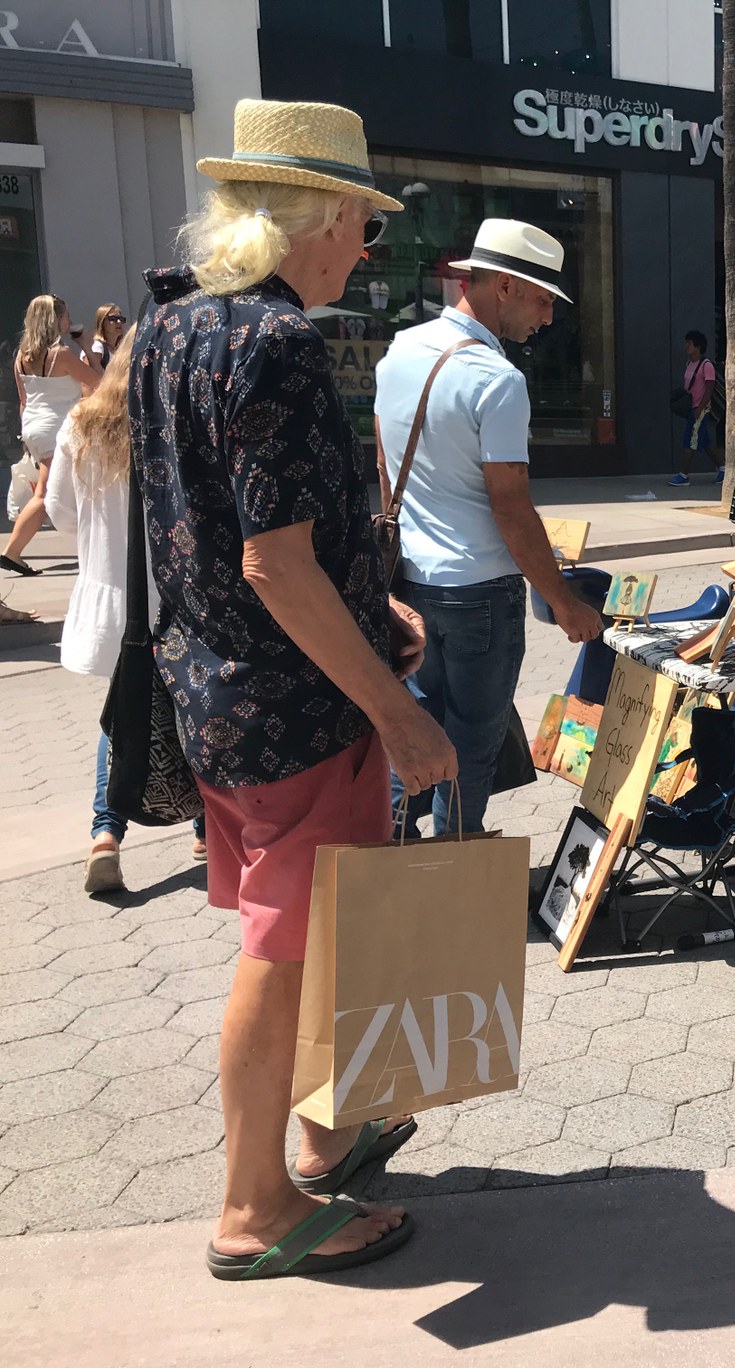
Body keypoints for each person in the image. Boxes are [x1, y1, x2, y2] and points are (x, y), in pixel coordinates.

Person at [134, 97, 441, 1279]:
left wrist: (375, 611)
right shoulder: (277, 344)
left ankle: (328, 1126)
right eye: (363, 224)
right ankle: (256, 1206)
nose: (367, 247)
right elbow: (274, 559)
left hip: (216, 693)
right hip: (298, 712)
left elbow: (224, 535)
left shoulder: (169, 328)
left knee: (306, 937)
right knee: (286, 944)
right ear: (314, 220)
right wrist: (396, 706)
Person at [375, 217, 604, 838]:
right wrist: (562, 601)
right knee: (472, 743)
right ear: (503, 286)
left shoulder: (401, 351)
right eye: (542, 299)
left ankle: (388, 858)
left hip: (412, 582)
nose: (548, 317)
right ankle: (455, 868)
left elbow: (384, 460)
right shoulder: (497, 379)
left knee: (418, 726)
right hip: (479, 594)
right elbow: (510, 504)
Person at [43, 329, 207, 892]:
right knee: (197, 711)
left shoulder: (81, 422)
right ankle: (207, 826)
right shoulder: (176, 421)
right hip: (176, 600)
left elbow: (60, 513)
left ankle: (106, 836)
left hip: (110, 598)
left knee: (123, 712)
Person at [2, 294, 97, 575]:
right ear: (54, 320)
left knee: (60, 490)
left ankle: (14, 551)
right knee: (46, 494)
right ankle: (12, 551)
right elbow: (99, 381)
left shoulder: (22, 356)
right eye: (65, 315)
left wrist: (26, 437)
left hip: (33, 425)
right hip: (57, 428)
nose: (68, 320)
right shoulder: (61, 354)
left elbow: (23, 399)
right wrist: (87, 346)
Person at [671, 328, 721, 487]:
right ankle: (723, 469)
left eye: (689, 343)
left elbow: (709, 386)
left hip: (700, 409)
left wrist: (701, 407)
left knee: (690, 441)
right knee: (704, 441)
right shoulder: (689, 364)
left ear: (698, 346)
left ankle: (683, 475)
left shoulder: (706, 365)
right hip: (691, 408)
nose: (686, 346)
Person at [88, 303, 125, 370]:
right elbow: (89, 374)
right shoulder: (97, 346)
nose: (119, 322)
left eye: (121, 319)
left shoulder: (120, 349)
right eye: (113, 319)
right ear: (102, 322)